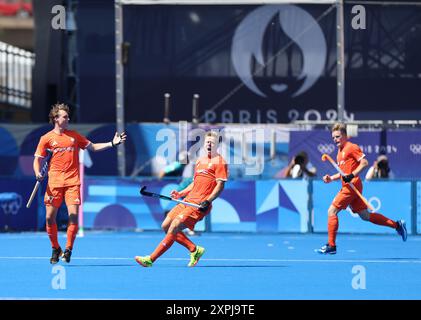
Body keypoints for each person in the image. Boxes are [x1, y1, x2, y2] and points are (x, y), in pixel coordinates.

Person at [33, 103, 127, 264]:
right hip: (54, 183)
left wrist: (112, 143)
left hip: (72, 182)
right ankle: (56, 248)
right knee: (49, 219)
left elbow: (94, 147)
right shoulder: (46, 139)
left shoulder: (75, 136)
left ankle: (68, 249)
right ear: (56, 118)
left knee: (74, 216)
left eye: (68, 116)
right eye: (64, 116)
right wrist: (37, 173)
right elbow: (37, 160)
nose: (68, 118)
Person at [135, 131, 228, 267]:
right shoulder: (200, 161)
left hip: (199, 205)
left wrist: (208, 201)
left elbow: (220, 186)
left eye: (212, 143)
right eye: (207, 142)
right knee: (166, 226)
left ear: (217, 145)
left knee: (174, 227)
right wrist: (181, 194)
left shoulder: (220, 163)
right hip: (187, 200)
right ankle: (194, 250)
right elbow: (194, 183)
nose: (209, 144)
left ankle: (150, 259)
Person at [317, 123, 407, 254]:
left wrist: (352, 175)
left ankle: (331, 246)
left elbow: (364, 163)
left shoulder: (351, 147)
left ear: (345, 136)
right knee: (365, 216)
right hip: (349, 184)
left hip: (351, 186)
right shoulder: (339, 152)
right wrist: (331, 178)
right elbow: (343, 173)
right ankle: (397, 225)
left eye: (338, 136)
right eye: (333, 137)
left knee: (332, 211)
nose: (335, 139)